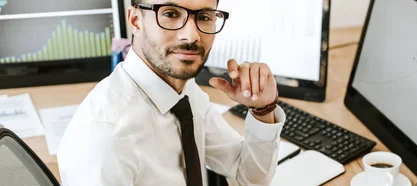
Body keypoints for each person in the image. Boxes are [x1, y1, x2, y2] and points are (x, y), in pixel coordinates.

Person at [57, 0, 285, 185]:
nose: (191, 35)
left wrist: (262, 109)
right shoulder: (105, 138)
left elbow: (249, 176)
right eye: (170, 13)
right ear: (136, 21)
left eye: (204, 17)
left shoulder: (184, 89)